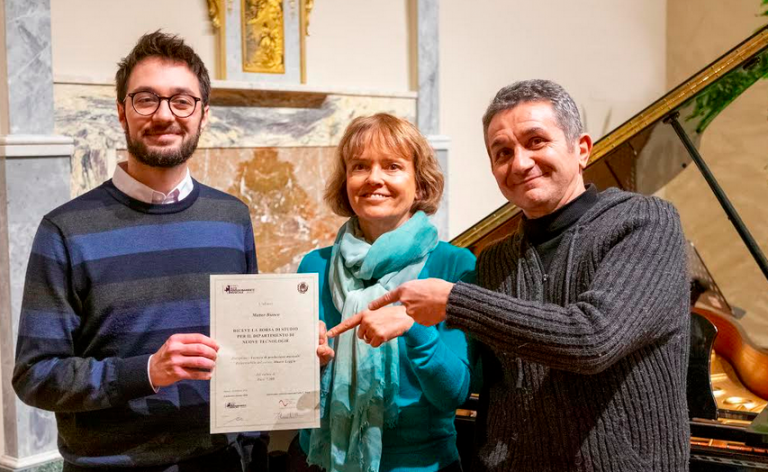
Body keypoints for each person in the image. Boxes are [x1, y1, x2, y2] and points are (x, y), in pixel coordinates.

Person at [363, 80, 691, 471]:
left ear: (581, 149)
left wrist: (454, 301)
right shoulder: (496, 258)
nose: (519, 163)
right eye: (502, 152)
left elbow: (592, 339)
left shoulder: (645, 222)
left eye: (536, 141)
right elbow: (491, 387)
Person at [13, 32, 266, 471]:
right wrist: (147, 371)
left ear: (204, 115)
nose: (165, 114)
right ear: (121, 113)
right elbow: (35, 375)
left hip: (218, 460)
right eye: (146, 99)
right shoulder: (65, 229)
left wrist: (299, 353)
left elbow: (247, 344)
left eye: (182, 100)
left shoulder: (231, 218)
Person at [290, 113, 476, 472]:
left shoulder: (455, 265)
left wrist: (414, 325)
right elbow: (291, 393)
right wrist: (303, 361)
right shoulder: (313, 266)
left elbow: (455, 393)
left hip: (423, 464)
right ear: (346, 181)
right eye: (360, 166)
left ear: (420, 185)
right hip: (324, 460)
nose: (373, 178)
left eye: (392, 166)